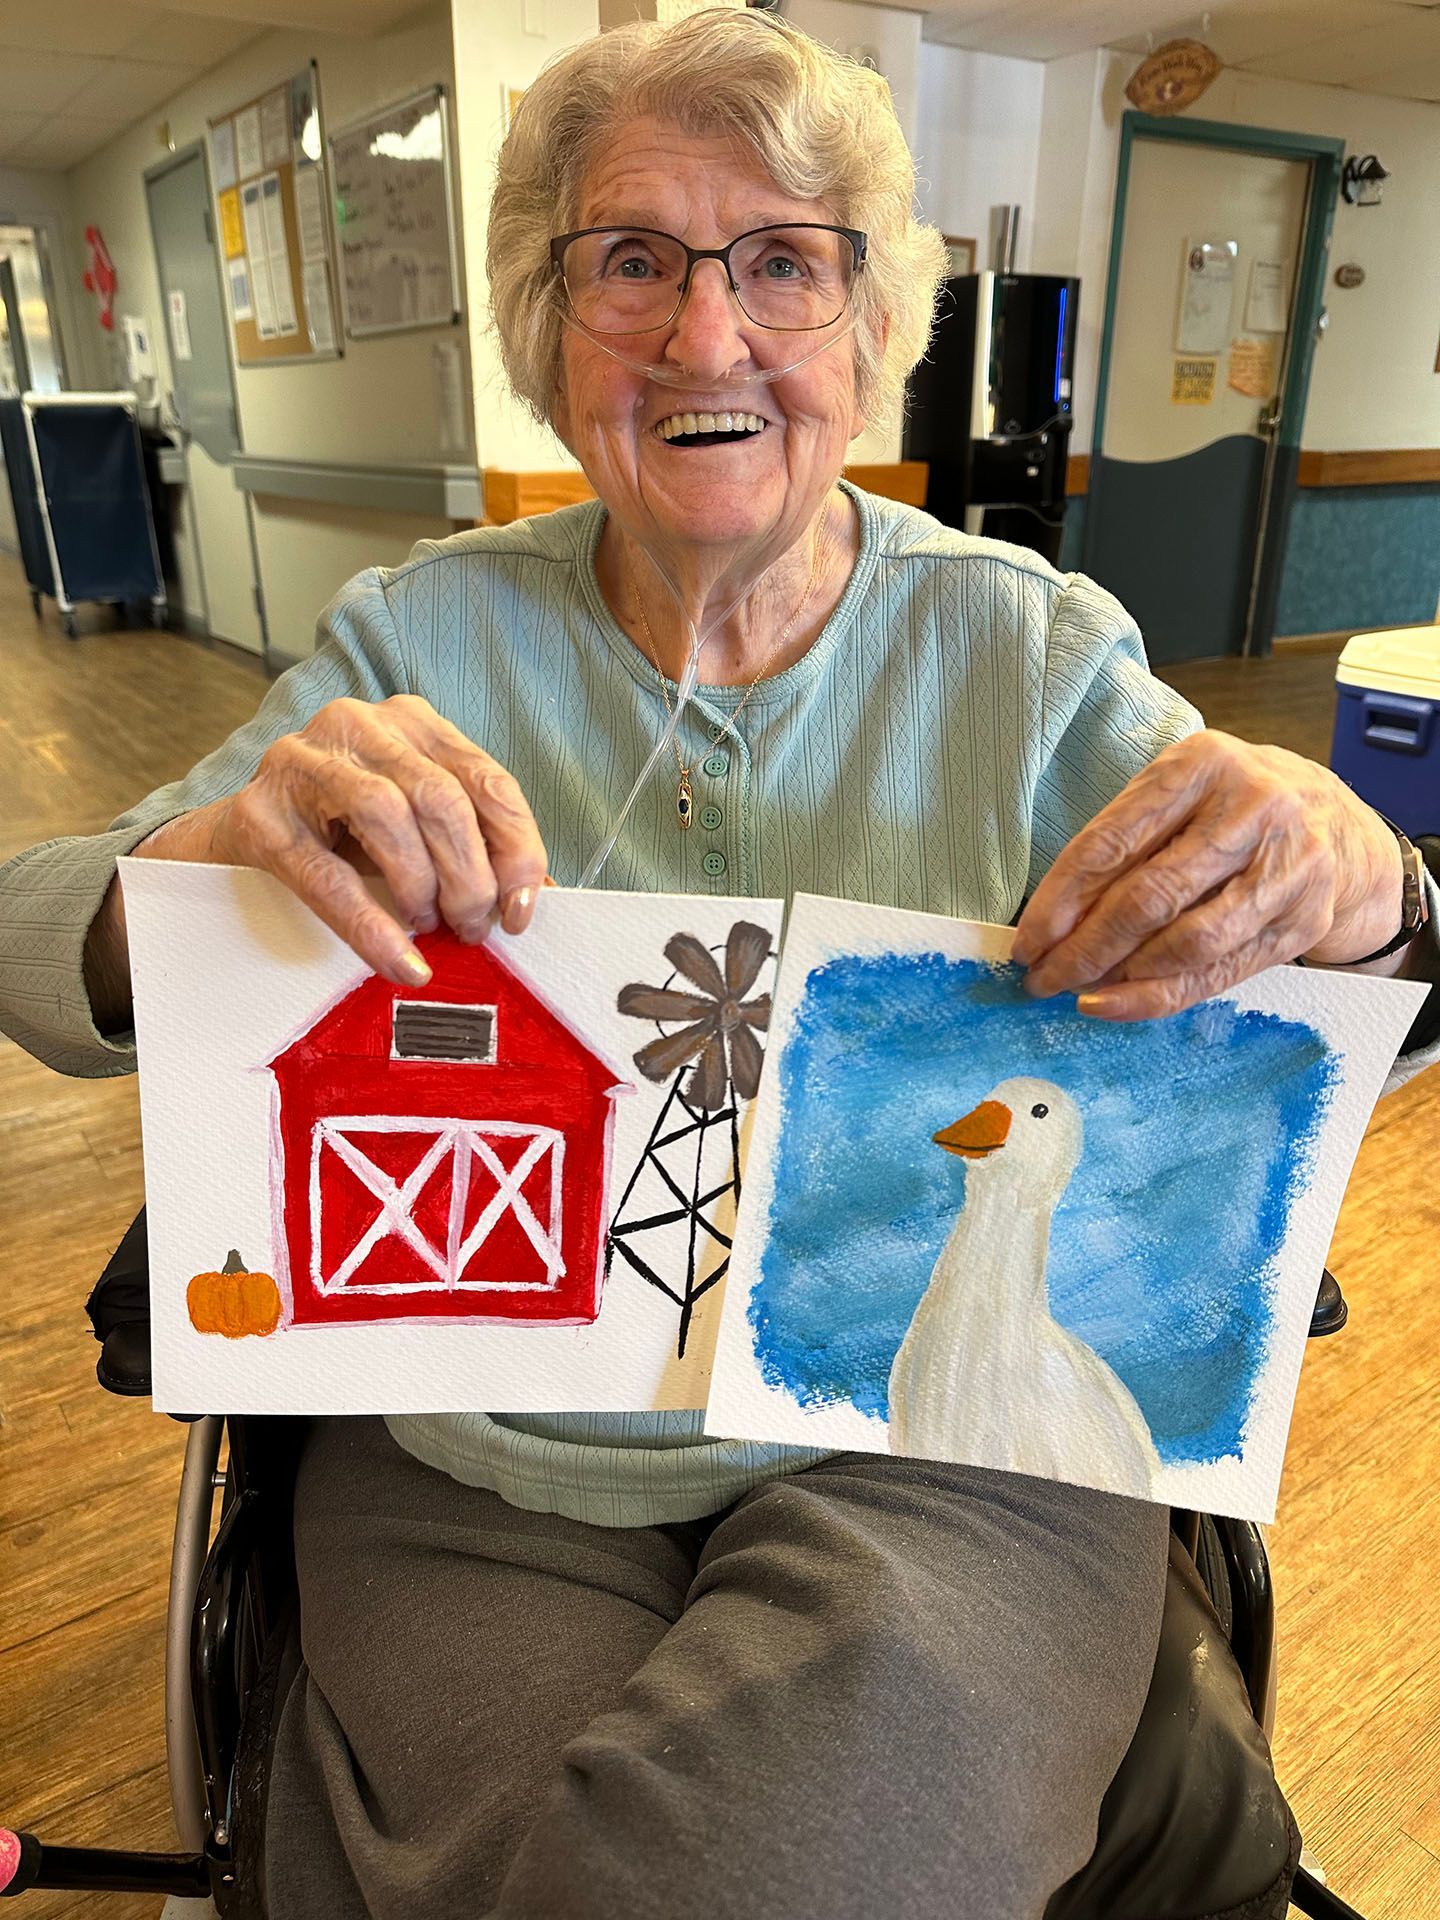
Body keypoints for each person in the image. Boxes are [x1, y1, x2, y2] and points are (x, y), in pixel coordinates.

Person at [2, 12, 1436, 1916]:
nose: (706, 335)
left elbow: (1347, 1017)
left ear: (869, 324)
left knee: (772, 1855)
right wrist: (192, 867)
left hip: (937, 1432)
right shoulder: (416, 640)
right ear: (550, 326)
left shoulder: (1029, 657)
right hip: (486, 1446)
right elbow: (31, 936)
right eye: (632, 262)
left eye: (783, 261)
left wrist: (1370, 890)